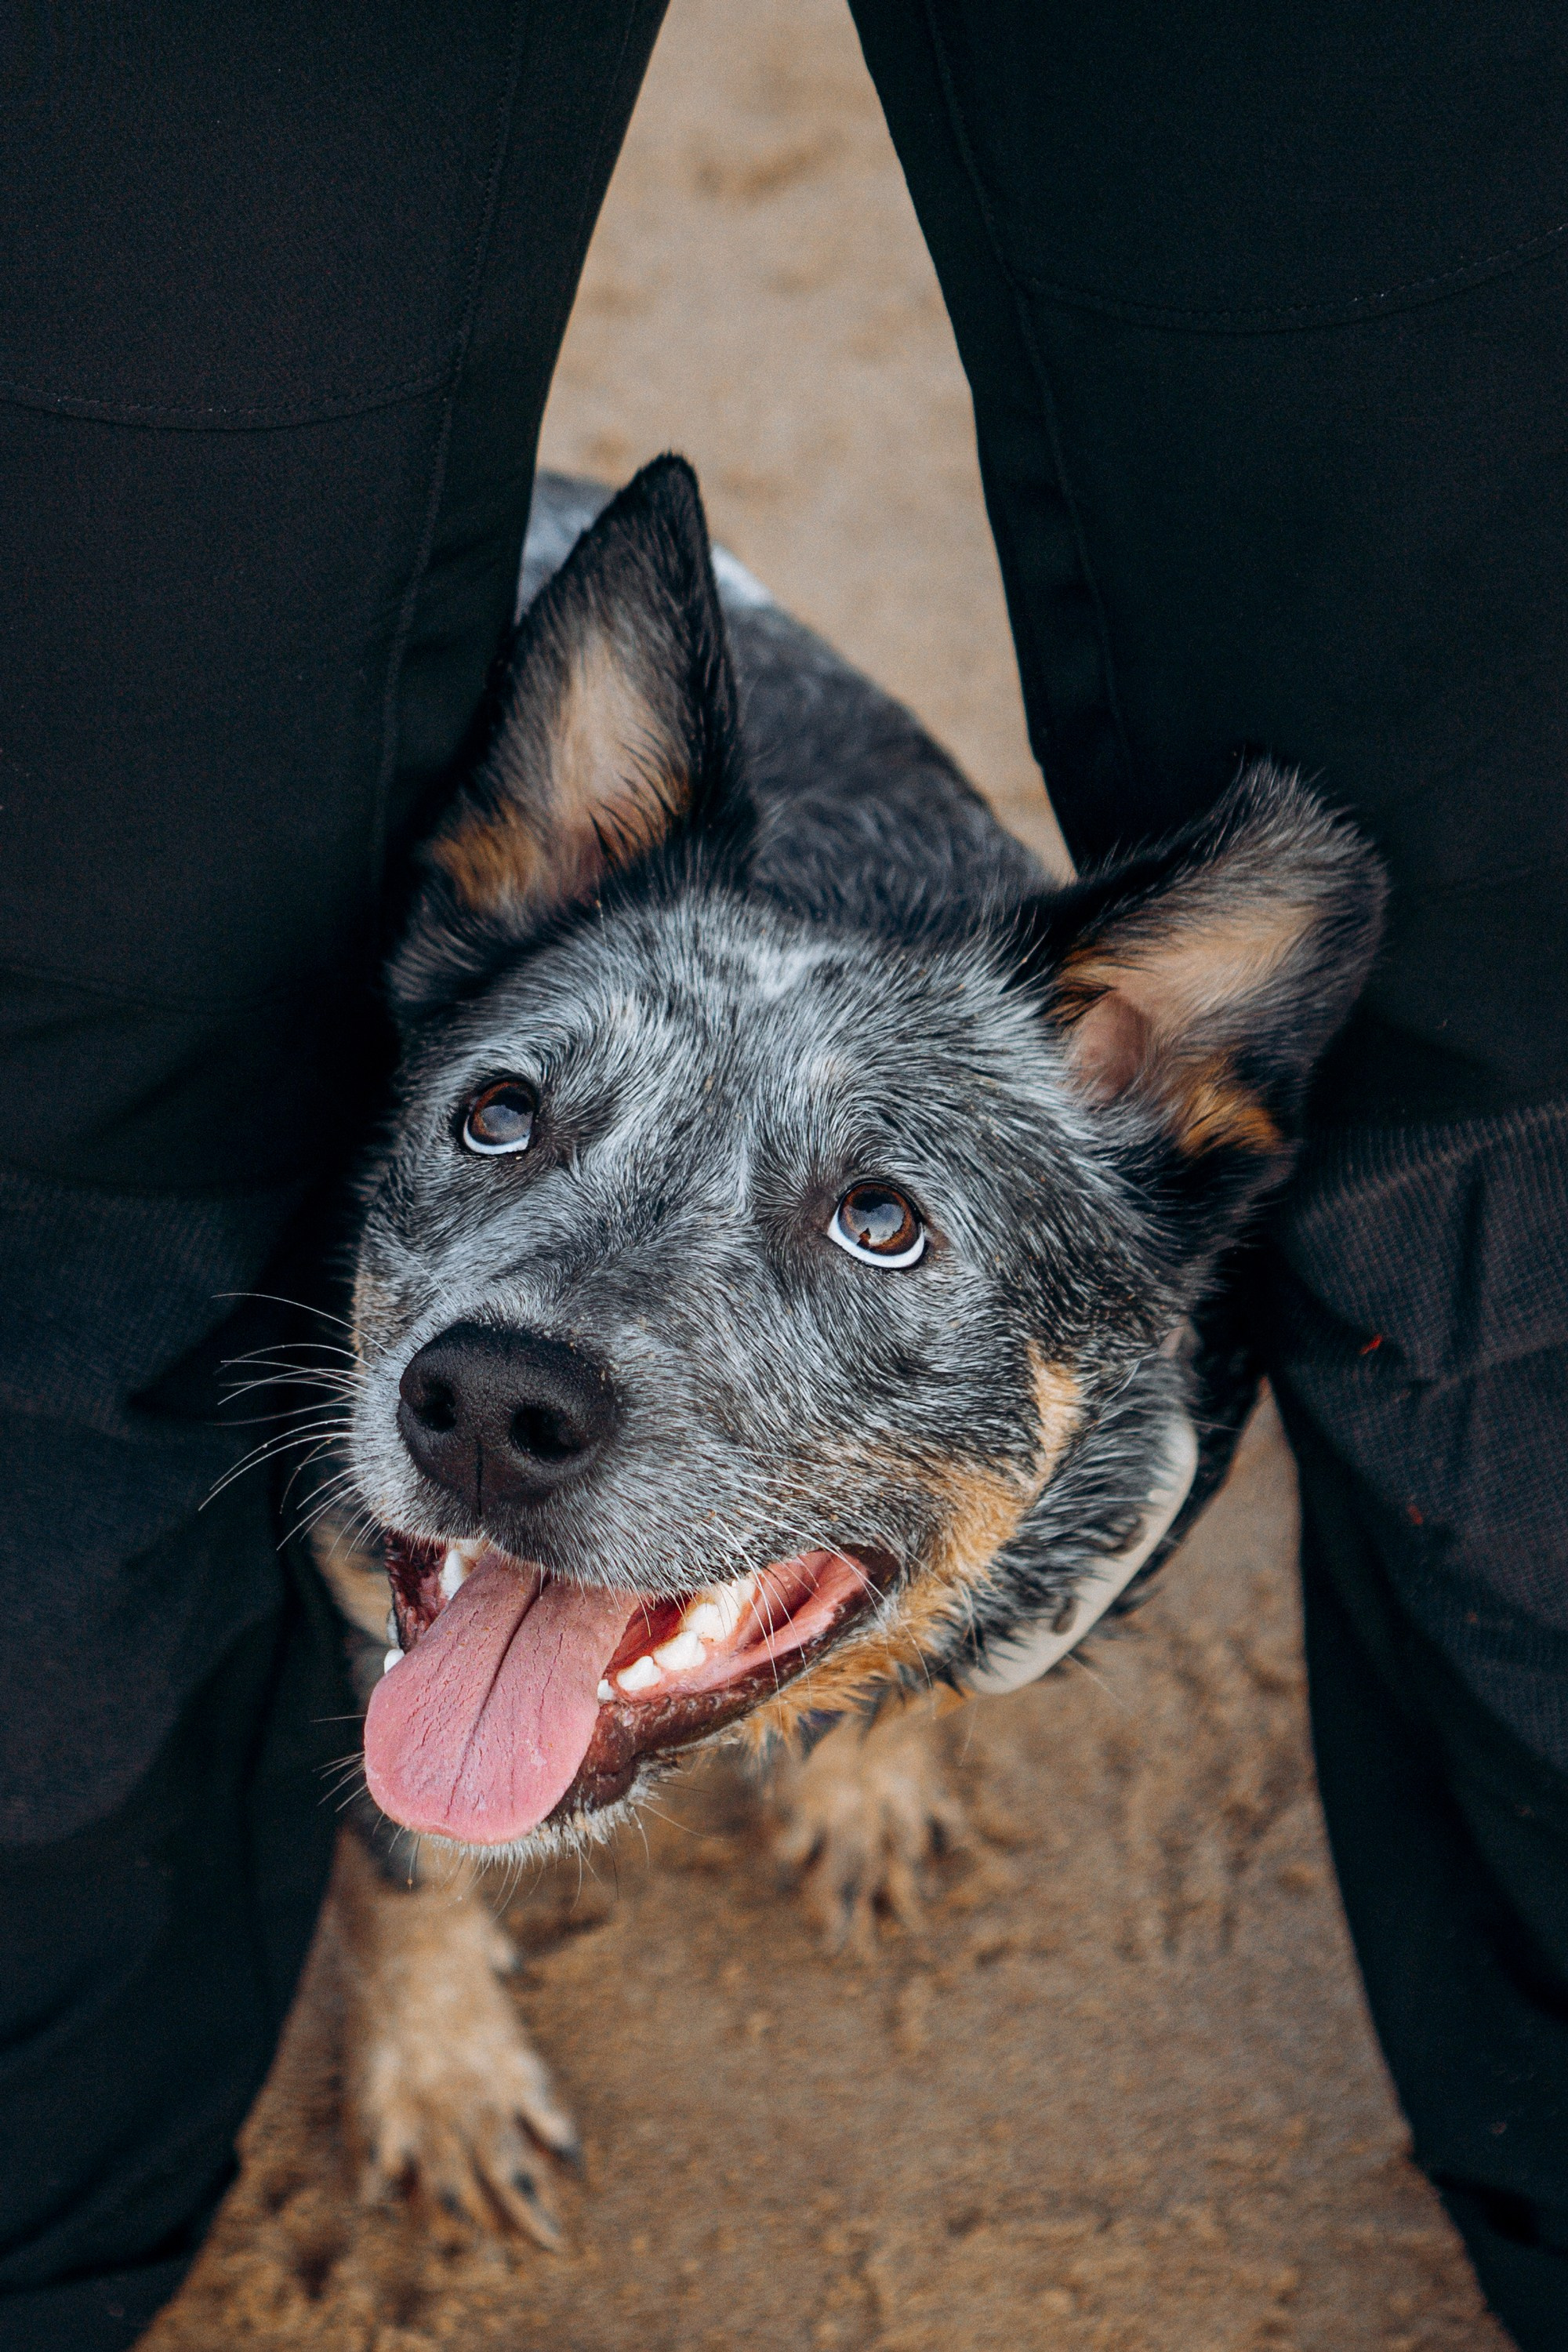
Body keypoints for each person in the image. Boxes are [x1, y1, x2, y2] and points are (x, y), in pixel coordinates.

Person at [2, 6, 1563, 2347]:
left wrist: (876, 1654)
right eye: (506, 1121)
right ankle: (252, 2062)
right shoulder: (402, 1343)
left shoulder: (1108, 1414)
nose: (524, 1354)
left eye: (882, 1218)